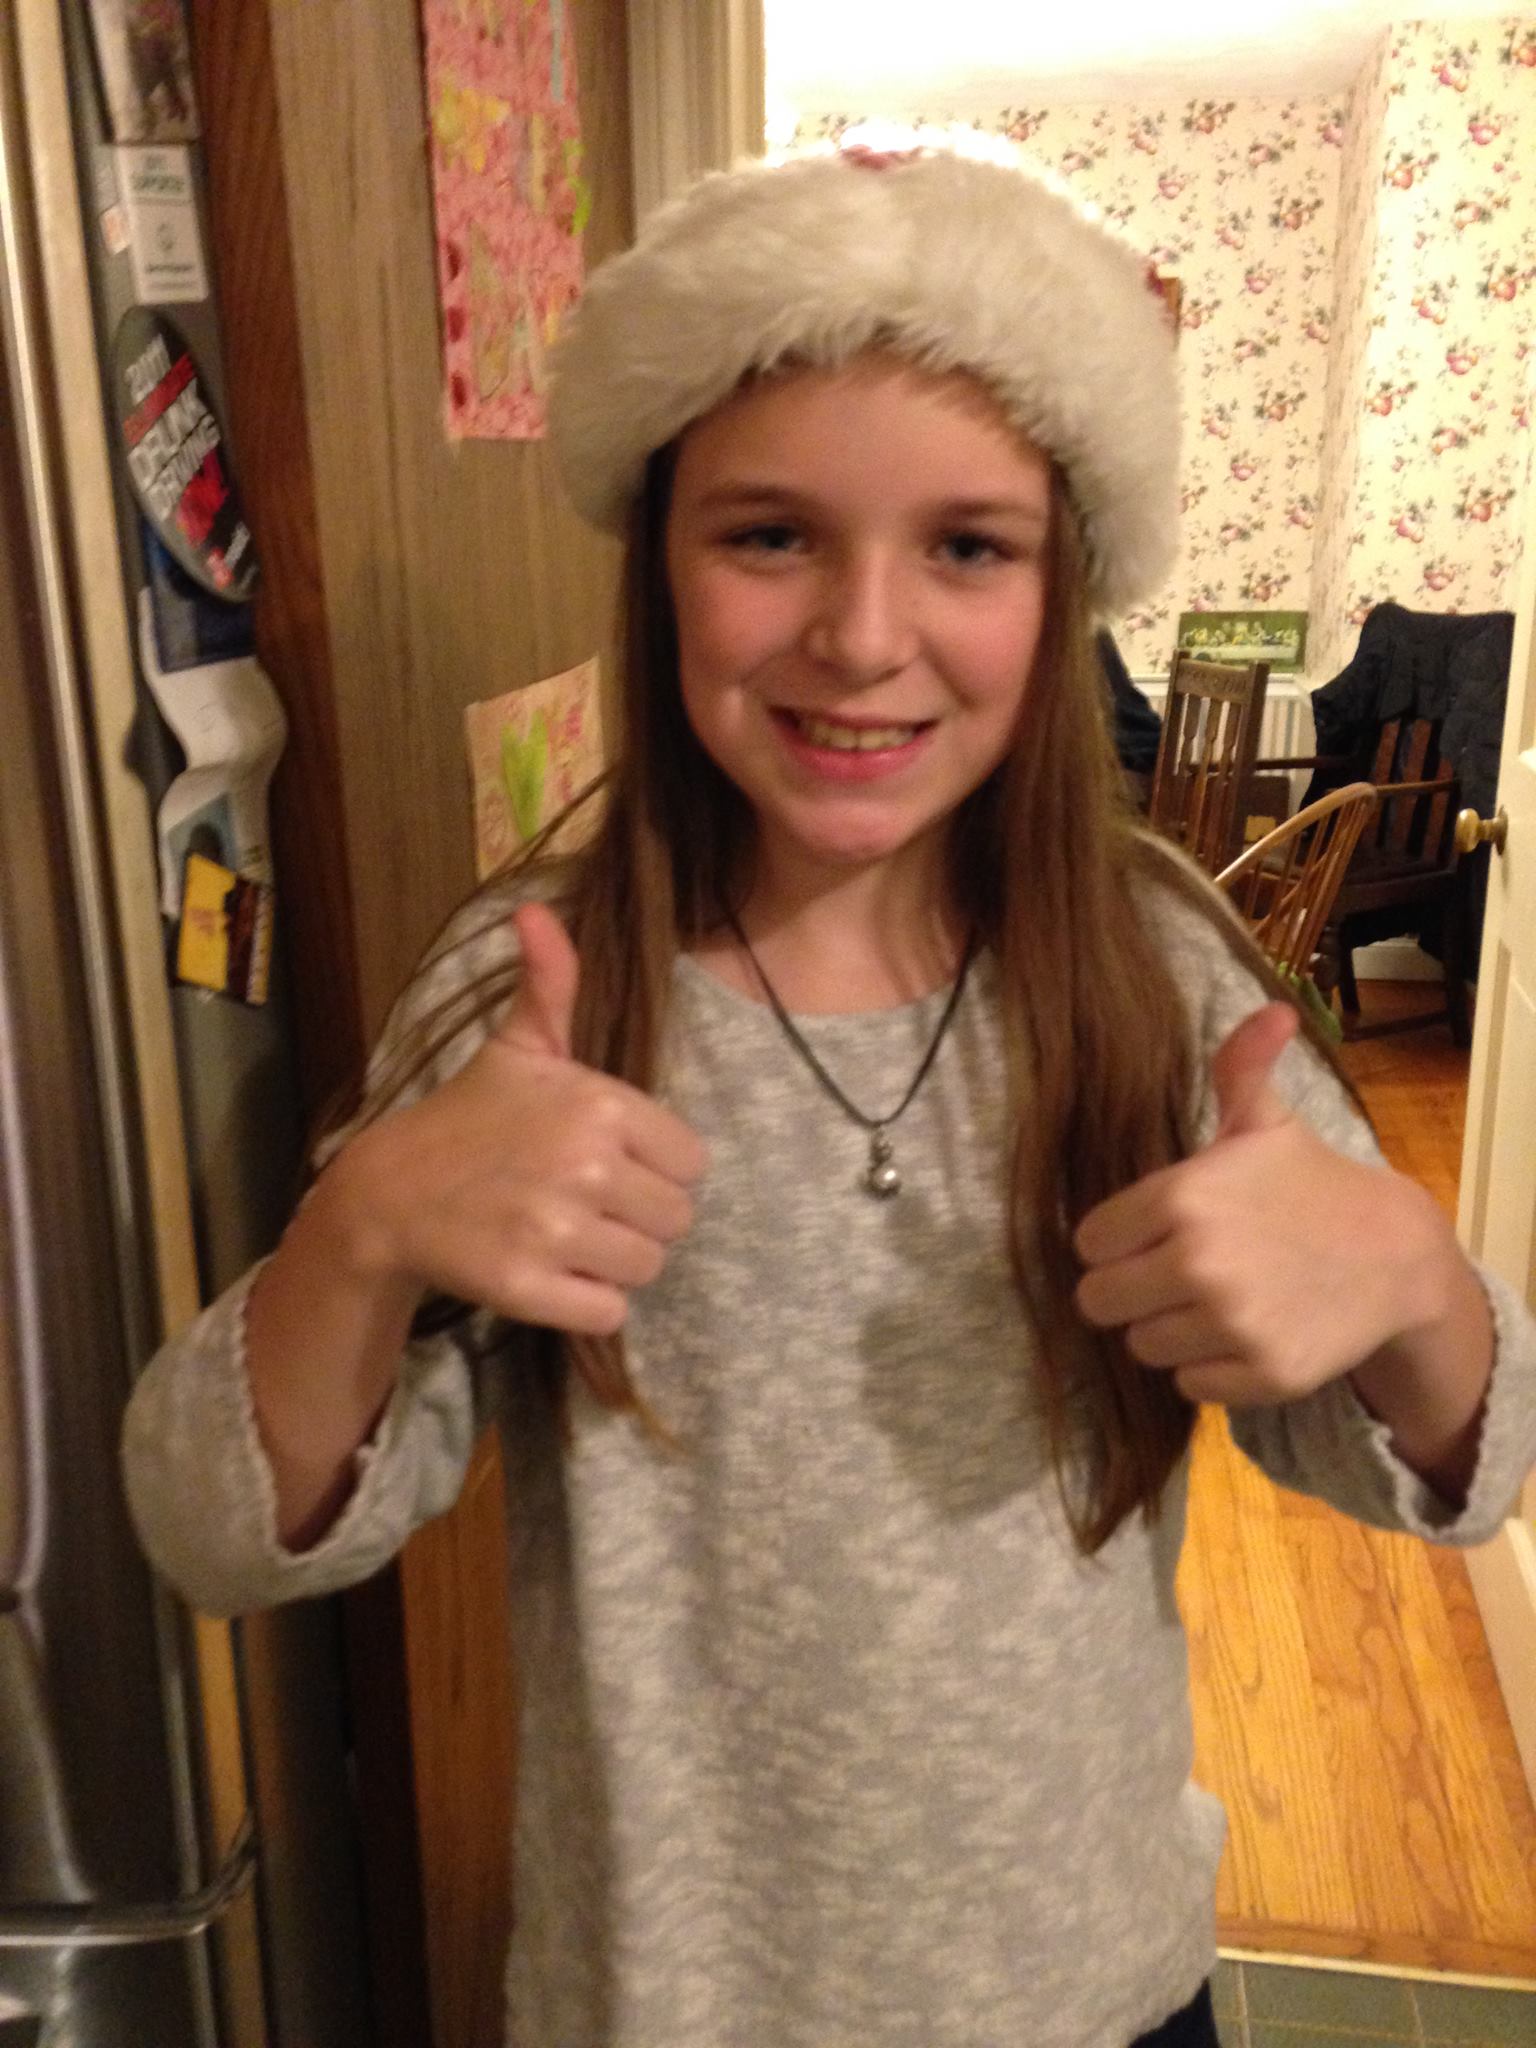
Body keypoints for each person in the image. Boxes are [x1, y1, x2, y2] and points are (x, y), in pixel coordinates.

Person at [121, 136, 1536, 2048]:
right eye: (771, 535)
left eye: (969, 546)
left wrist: (1408, 1275)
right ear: (658, 564)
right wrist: (362, 1227)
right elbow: (207, 1529)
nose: (864, 637)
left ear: (1064, 585)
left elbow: (1466, 1474)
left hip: (1094, 1991)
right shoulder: (537, 1001)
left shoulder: (1163, 988)